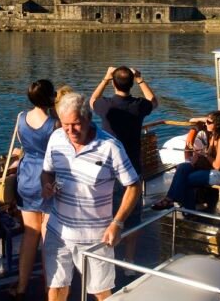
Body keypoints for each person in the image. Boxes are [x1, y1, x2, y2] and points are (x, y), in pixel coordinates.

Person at [41, 93, 140, 301]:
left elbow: (133, 186)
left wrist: (117, 223)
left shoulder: (110, 147)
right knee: (56, 288)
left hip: (95, 237)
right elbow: (47, 171)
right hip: (57, 232)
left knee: (100, 293)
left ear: (88, 118)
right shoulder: (57, 137)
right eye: (65, 125)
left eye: (75, 124)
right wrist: (46, 184)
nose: (70, 131)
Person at [90, 66, 157, 269]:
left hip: (107, 169)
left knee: (105, 213)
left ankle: (106, 258)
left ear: (113, 83)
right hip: (132, 168)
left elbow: (92, 101)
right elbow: (154, 101)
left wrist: (104, 77)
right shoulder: (138, 106)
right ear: (130, 84)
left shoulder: (107, 107)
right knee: (132, 215)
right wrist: (140, 79)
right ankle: (129, 261)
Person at [13, 80, 58, 299]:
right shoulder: (54, 124)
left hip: (26, 177)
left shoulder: (21, 118)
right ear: (51, 97)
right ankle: (50, 288)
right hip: (47, 179)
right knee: (47, 238)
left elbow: (23, 145)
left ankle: (21, 286)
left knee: (29, 234)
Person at [152, 111, 220, 211]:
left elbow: (218, 165)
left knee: (187, 179)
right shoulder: (215, 135)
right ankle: (170, 199)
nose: (206, 123)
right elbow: (208, 155)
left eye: (209, 122)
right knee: (183, 167)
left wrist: (205, 154)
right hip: (212, 170)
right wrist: (199, 155)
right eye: (206, 121)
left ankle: (187, 209)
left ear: (217, 124)